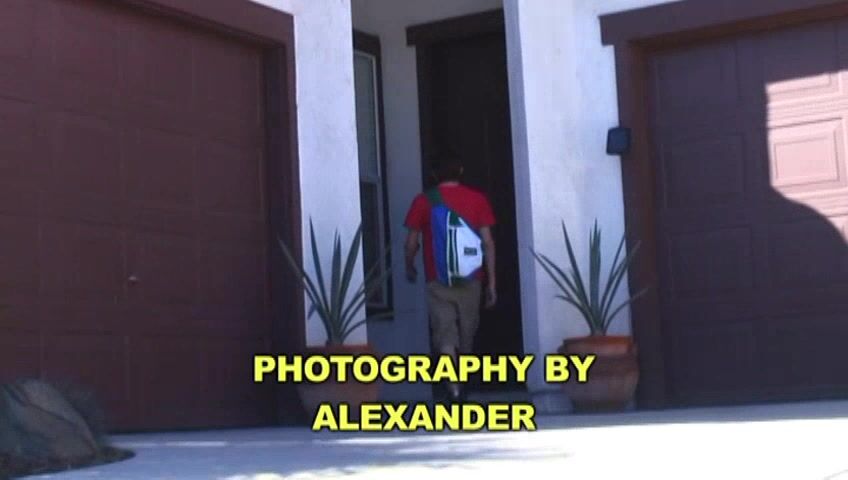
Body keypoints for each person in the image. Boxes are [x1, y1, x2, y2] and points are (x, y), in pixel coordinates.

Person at [403, 153, 497, 403]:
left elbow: (411, 242)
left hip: (438, 279)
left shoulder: (424, 201)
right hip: (471, 278)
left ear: (434, 175)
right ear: (461, 171)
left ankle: (453, 387)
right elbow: (488, 242)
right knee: (467, 335)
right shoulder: (478, 199)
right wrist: (492, 282)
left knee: (445, 335)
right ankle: (463, 381)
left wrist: (409, 266)